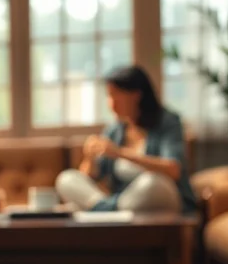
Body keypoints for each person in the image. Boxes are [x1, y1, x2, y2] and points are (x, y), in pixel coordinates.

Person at [56, 65, 196, 214]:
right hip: (127, 203)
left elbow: (173, 170)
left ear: (136, 95)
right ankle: (111, 210)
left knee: (153, 182)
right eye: (109, 96)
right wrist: (89, 157)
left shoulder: (168, 122)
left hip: (160, 196)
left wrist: (120, 153)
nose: (111, 103)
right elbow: (90, 177)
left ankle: (105, 210)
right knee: (66, 178)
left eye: (116, 95)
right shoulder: (115, 130)